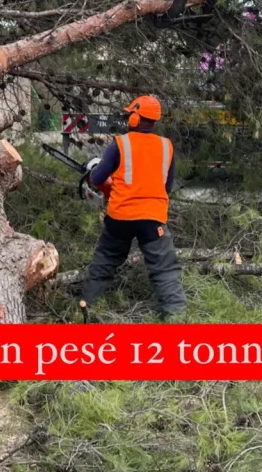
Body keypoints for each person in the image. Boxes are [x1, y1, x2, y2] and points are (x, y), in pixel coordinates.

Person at [80, 95, 186, 320]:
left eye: (131, 114)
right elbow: (165, 187)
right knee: (165, 271)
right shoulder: (166, 147)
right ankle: (177, 319)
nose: (129, 118)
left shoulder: (120, 143)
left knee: (104, 262)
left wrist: (105, 183)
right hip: (153, 220)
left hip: (120, 218)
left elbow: (97, 177)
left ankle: (87, 308)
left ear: (136, 117)